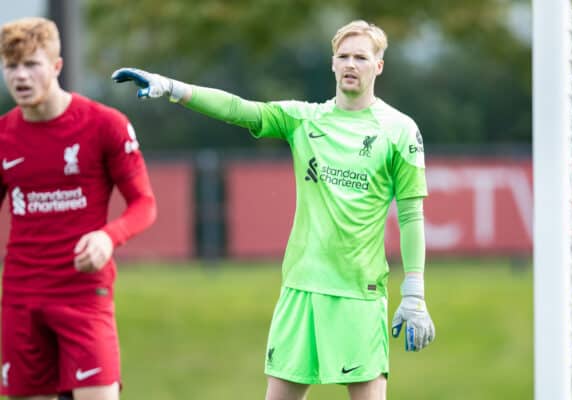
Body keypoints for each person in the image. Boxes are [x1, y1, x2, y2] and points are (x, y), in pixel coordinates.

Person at [113, 19, 434, 400]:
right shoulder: (304, 119)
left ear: (378, 66)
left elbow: (412, 216)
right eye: (343, 56)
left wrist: (414, 293)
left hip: (358, 293)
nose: (351, 64)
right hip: (301, 287)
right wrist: (172, 88)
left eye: (361, 57)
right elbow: (239, 109)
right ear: (332, 63)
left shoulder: (399, 130)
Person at [0, 17, 157, 400]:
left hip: (84, 296)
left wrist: (108, 237)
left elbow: (144, 204)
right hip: (21, 297)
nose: (21, 76)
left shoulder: (104, 125)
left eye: (31, 64)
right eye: (12, 65)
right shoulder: (4, 135)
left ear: (56, 66)